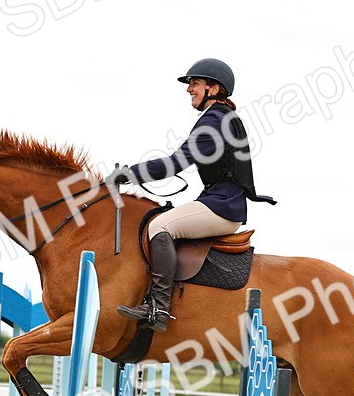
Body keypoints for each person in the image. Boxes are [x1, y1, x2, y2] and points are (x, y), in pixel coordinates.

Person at [108, 58, 275, 332]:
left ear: (214, 88)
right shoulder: (222, 117)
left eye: (195, 83)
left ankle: (158, 308)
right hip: (220, 202)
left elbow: (176, 164)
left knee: (159, 226)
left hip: (222, 206)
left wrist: (130, 174)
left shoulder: (214, 121)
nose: (189, 89)